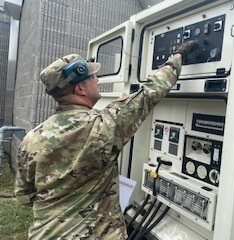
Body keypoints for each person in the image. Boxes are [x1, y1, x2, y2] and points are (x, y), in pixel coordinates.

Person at [14, 40, 197, 240]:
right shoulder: (105, 125)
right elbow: (151, 91)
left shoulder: (30, 139)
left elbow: (25, 196)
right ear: (80, 89)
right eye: (93, 77)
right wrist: (177, 56)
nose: (97, 81)